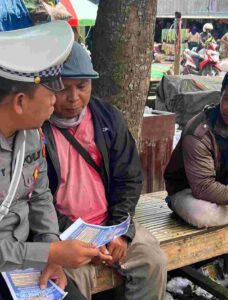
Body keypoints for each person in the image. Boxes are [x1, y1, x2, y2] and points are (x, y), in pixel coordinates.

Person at [0, 21, 110, 300]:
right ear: (19, 102)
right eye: (51, 92)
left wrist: (51, 251)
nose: (57, 100)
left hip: (26, 258)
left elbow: (40, 197)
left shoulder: (31, 132)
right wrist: (49, 252)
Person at [42, 42, 167, 300]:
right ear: (46, 87)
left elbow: (129, 178)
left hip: (110, 223)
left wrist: (120, 230)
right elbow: (35, 196)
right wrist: (77, 237)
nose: (74, 97)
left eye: (82, 86)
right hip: (63, 232)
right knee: (69, 283)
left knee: (152, 260)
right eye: (63, 88)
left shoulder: (108, 118)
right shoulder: (36, 127)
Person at [164, 66, 228, 229]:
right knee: (202, 214)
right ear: (220, 95)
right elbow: (203, 187)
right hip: (192, 191)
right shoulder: (198, 132)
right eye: (227, 99)